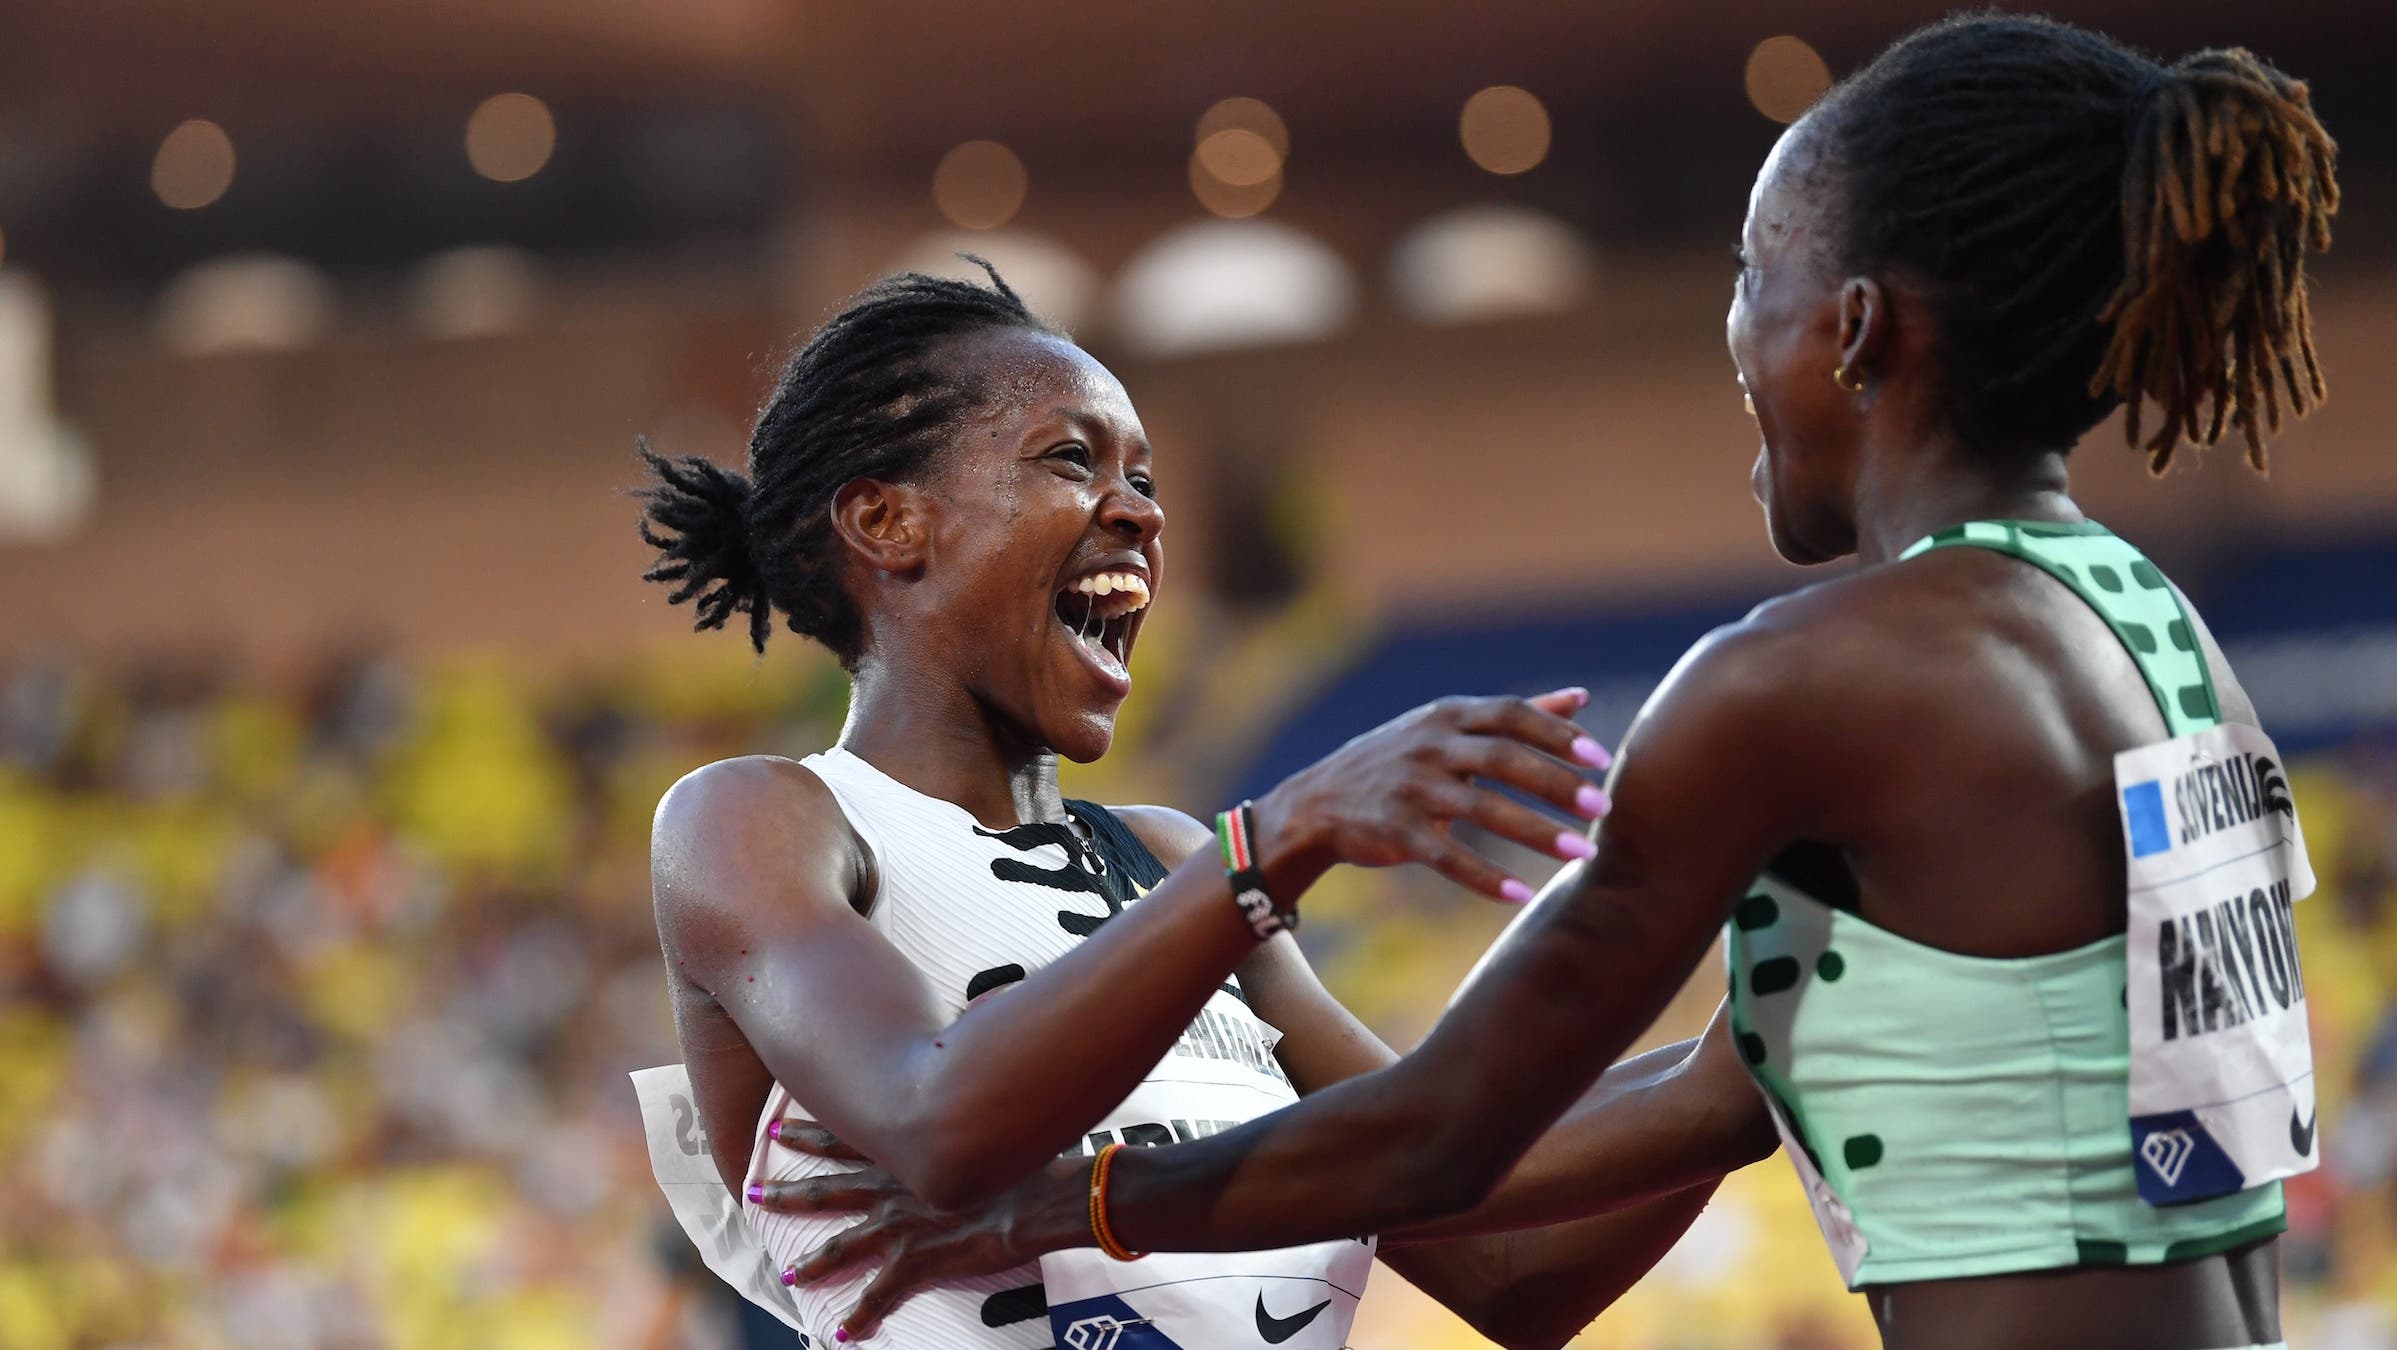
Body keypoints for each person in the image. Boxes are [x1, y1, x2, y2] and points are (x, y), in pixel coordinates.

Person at [771, 17, 2340, 1350]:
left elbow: (1455, 1120)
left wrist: (1084, 1201)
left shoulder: (1810, 677)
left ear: (1856, 330)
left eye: (1753, 272)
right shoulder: (2153, 632)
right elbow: (1715, 1093)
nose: (1735, 329)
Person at [633, 263, 1739, 1349]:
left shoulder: (1172, 862)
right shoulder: (758, 821)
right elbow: (939, 1124)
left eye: (1149, 482)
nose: (1139, 514)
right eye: (1072, 460)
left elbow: (1505, 1257)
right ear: (886, 523)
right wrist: (1273, 846)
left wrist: (1772, 1028)